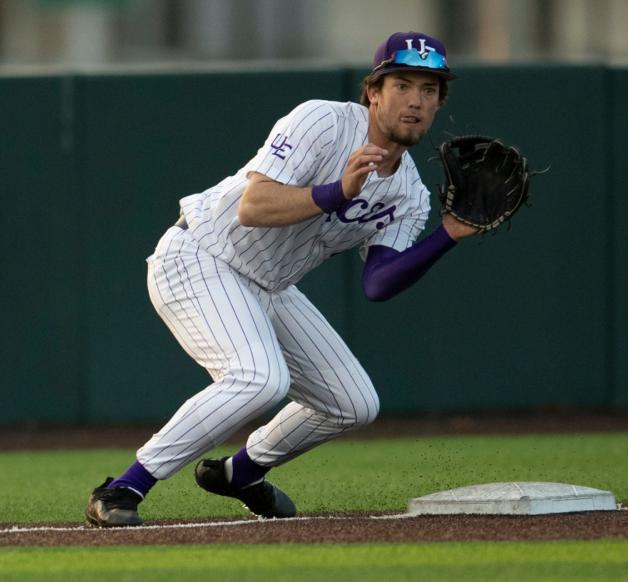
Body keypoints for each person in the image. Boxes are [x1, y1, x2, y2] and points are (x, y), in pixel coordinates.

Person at [85, 31, 477, 527]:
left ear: (440, 102)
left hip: (270, 285)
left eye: (429, 89)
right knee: (259, 379)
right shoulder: (323, 122)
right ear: (373, 91)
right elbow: (253, 207)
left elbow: (378, 283)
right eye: (402, 84)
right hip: (202, 254)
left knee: (353, 403)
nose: (415, 100)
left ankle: (239, 473)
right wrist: (337, 190)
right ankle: (123, 487)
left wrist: (449, 234)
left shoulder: (410, 193)